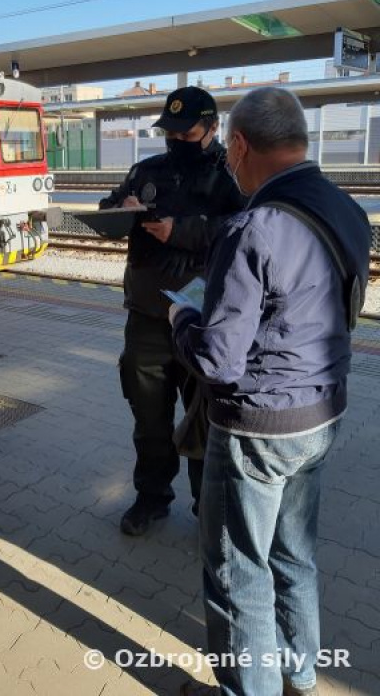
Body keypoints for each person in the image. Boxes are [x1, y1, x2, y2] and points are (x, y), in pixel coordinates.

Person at [171, 88, 371, 696]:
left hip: (257, 429)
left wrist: (182, 319)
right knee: (293, 552)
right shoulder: (347, 208)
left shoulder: (253, 227)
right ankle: (300, 673)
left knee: (238, 573)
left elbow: (219, 360)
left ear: (238, 145)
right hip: (322, 412)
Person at [99, 86, 244, 535]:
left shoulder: (233, 176)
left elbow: (248, 229)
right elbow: (105, 216)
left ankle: (207, 506)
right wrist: (121, 210)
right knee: (149, 419)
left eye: (188, 133)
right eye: (171, 133)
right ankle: (152, 497)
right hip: (147, 315)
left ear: (213, 127)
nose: (178, 140)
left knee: (204, 423)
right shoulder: (147, 170)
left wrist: (182, 231)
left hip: (205, 319)